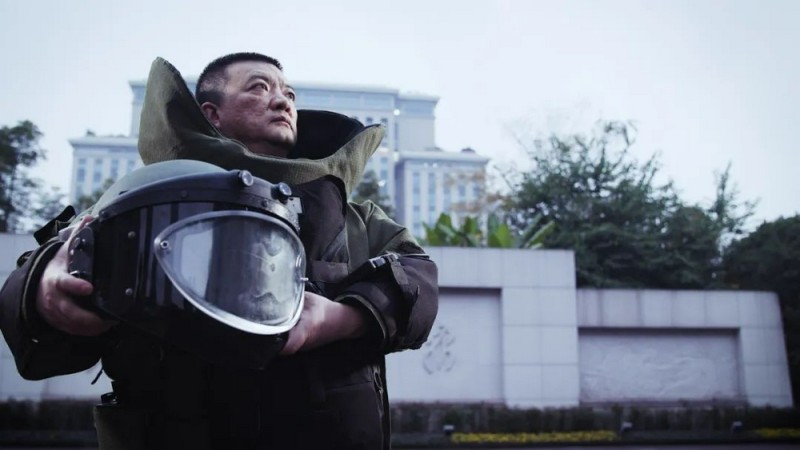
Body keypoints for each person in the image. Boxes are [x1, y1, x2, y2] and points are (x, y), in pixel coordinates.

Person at [0, 52, 439, 450]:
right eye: (259, 87)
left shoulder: (353, 217)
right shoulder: (139, 198)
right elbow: (41, 281)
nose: (283, 101)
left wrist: (340, 318)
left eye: (289, 94)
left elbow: (418, 276)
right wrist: (43, 289)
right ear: (212, 113)